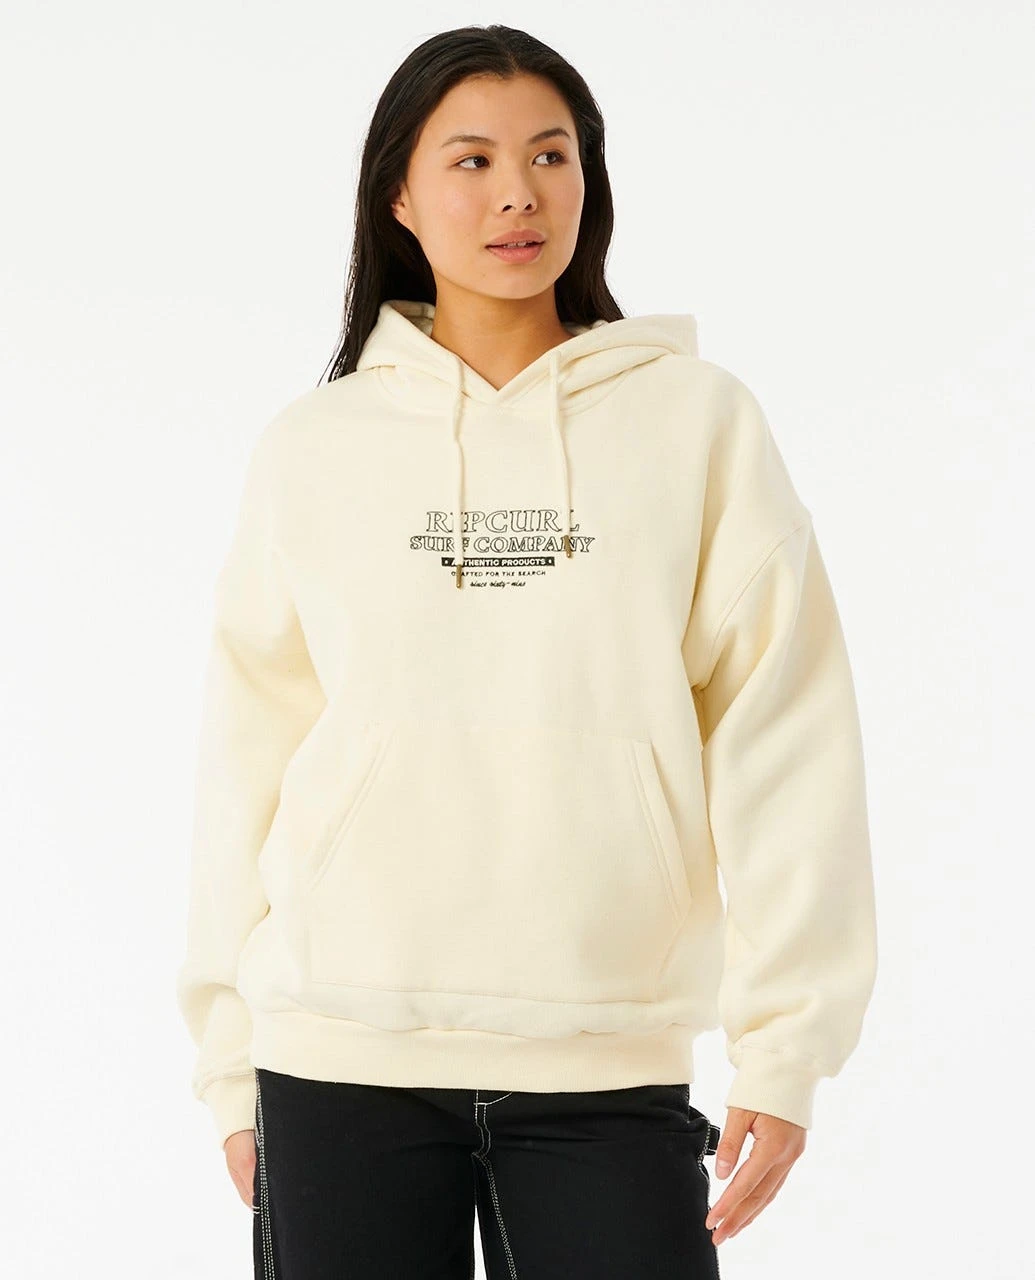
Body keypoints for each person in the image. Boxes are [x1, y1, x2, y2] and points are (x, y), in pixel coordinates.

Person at [175, 23, 878, 1279]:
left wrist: (785, 1044)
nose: (519, 193)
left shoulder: (696, 424)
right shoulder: (314, 448)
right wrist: (232, 1060)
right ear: (398, 194)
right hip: (339, 1056)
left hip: (607, 1056)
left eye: (552, 156)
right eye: (474, 160)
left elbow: (785, 730)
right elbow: (249, 753)